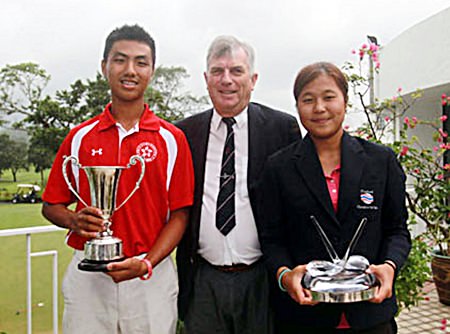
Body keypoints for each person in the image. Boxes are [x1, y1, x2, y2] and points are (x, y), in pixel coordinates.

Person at [41, 24, 194, 334]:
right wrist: (74, 221)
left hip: (150, 276)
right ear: (104, 67)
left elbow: (179, 215)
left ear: (152, 70)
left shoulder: (172, 139)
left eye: (141, 62)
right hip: (89, 274)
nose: (130, 70)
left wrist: (147, 262)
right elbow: (51, 204)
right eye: (120, 59)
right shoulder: (79, 137)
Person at [257, 62, 411, 334]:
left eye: (329, 97)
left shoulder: (381, 161)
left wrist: (389, 267)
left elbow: (397, 230)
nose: (319, 108)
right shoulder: (278, 167)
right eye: (308, 99)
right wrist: (285, 276)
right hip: (302, 318)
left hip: (371, 317)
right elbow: (271, 239)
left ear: (345, 101)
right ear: (297, 107)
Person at [176, 35, 301, 334]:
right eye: (218, 71)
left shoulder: (282, 129)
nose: (226, 80)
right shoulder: (184, 133)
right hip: (202, 278)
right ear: (206, 79)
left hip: (263, 278)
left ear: (253, 78)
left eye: (236, 71)